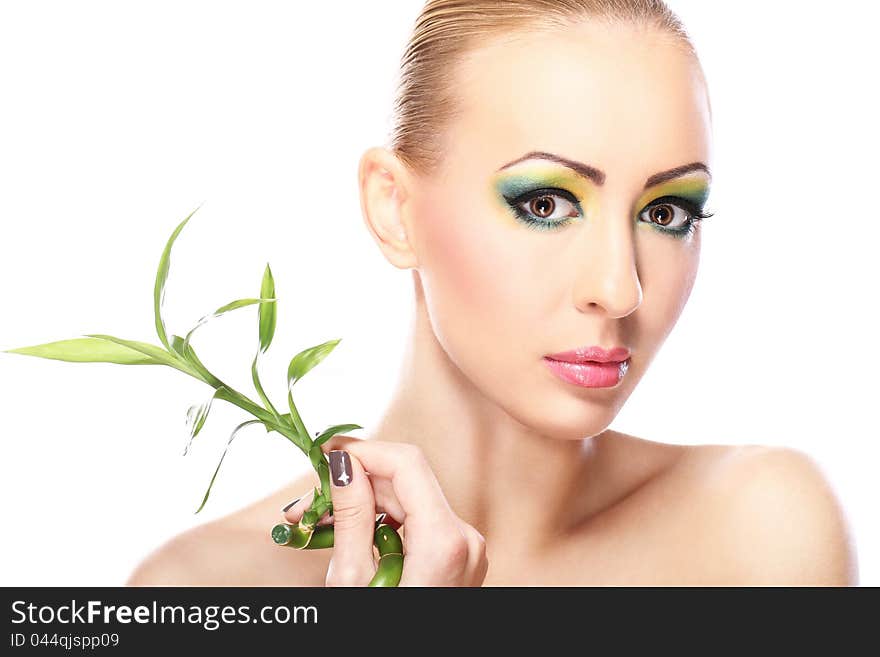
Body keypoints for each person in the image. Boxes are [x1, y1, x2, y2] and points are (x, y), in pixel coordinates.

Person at [127, 0, 858, 586]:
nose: (618, 287)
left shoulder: (760, 533)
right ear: (395, 209)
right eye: (545, 203)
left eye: (666, 213)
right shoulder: (201, 590)